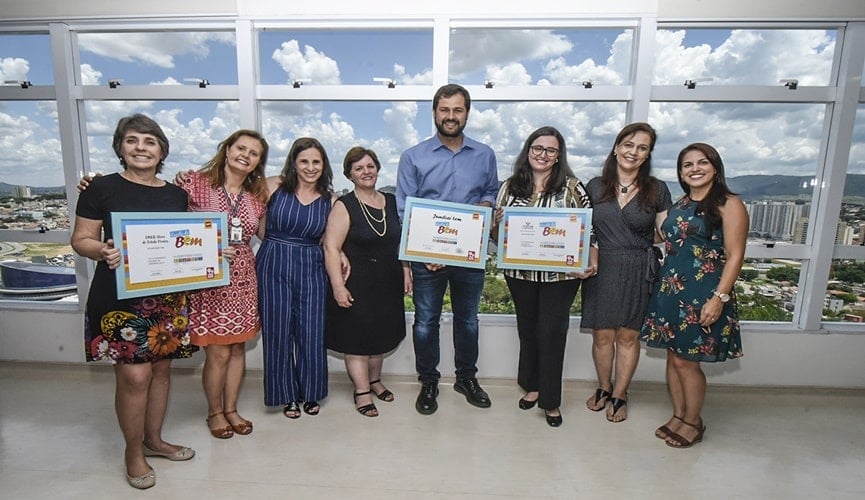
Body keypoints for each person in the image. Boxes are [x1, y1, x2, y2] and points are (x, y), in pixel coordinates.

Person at [71, 114, 196, 490]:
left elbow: (183, 240)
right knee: (134, 376)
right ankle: (132, 452)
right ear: (120, 148)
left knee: (160, 371)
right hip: (118, 296)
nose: (141, 147)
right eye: (132, 140)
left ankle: (154, 440)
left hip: (166, 297)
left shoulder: (177, 195)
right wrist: (102, 250)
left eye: (150, 141)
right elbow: (81, 239)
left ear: (162, 151)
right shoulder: (100, 188)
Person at [396, 83, 499, 415]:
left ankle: (466, 378)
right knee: (426, 321)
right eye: (445, 110)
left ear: (467, 113)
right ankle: (428, 381)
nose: (451, 116)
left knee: (468, 320)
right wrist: (427, 254)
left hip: (470, 256)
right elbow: (405, 210)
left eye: (458, 110)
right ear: (435, 112)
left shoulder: (485, 154)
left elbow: (490, 191)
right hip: (429, 260)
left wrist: (485, 204)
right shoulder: (413, 157)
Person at [640, 142, 747, 448]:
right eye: (688, 165)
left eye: (702, 163)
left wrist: (719, 298)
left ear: (715, 167)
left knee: (689, 362)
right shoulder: (681, 204)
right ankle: (678, 415)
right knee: (674, 359)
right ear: (681, 172)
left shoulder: (729, 203)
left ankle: (693, 422)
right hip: (671, 290)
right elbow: (663, 237)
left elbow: (735, 254)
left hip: (705, 293)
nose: (695, 169)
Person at [492, 126, 596, 427]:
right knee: (528, 330)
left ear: (558, 155)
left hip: (560, 277)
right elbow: (499, 237)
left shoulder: (573, 188)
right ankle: (532, 386)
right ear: (528, 150)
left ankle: (550, 401)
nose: (543, 155)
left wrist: (590, 262)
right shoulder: (510, 187)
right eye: (538, 148)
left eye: (551, 150)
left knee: (551, 333)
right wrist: (497, 223)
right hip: (519, 274)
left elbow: (589, 231)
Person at [176, 130, 269, 438]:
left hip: (244, 278)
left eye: (254, 153)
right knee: (217, 352)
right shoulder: (194, 183)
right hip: (209, 279)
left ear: (258, 162)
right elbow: (171, 228)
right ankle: (214, 412)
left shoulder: (257, 197)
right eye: (241, 148)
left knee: (238, 349)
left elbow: (266, 236)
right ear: (227, 150)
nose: (246, 155)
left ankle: (231, 409)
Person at [580, 122, 672, 423]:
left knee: (628, 337)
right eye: (629, 144)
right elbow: (584, 230)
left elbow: (663, 233)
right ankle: (604, 388)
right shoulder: (594, 186)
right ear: (617, 147)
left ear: (647, 155)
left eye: (642, 147)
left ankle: (620, 394)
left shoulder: (658, 189)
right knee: (602, 335)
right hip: (601, 266)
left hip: (638, 268)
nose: (634, 152)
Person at [323, 147, 411, 417]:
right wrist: (338, 286)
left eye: (370, 166)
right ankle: (361, 391)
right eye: (359, 168)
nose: (366, 172)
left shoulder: (391, 199)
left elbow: (402, 241)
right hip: (356, 284)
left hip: (388, 281)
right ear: (349, 173)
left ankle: (374, 381)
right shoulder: (344, 205)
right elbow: (330, 248)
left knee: (381, 336)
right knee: (358, 340)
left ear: (378, 168)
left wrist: (406, 270)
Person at [257, 137, 334, 419]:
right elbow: (258, 225)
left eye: (316, 161)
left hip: (311, 265)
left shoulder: (330, 200)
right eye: (304, 161)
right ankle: (285, 395)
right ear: (294, 162)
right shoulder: (272, 186)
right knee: (277, 330)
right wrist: (279, 246)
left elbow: (330, 241)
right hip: (273, 262)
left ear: (324, 165)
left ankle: (310, 391)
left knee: (311, 330)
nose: (310, 167)